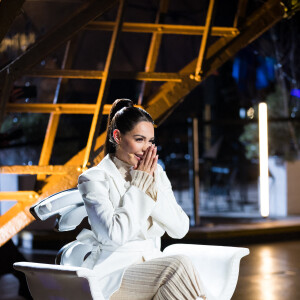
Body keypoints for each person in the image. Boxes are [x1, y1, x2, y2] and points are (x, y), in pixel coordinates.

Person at [76, 98, 206, 300]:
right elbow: (114, 235)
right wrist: (139, 186)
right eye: (139, 139)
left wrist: (149, 184)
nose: (147, 148)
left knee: (178, 280)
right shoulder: (94, 178)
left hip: (151, 264)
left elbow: (180, 229)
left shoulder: (157, 172)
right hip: (114, 273)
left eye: (150, 141)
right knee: (178, 265)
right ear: (117, 137)